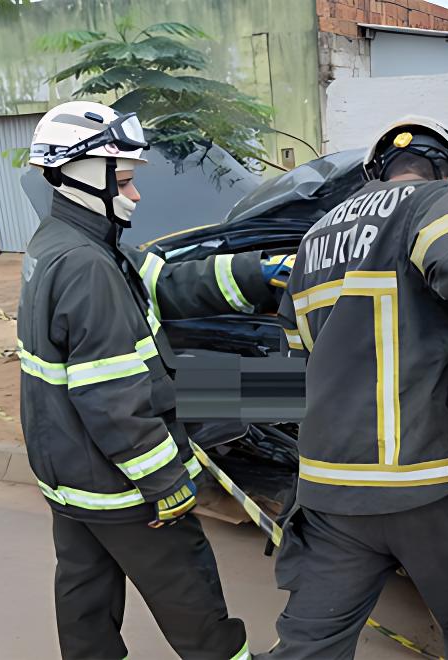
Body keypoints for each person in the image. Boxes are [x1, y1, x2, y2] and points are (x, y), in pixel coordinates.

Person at [18, 100, 280, 660]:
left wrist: (257, 274)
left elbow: (161, 282)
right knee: (189, 590)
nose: (135, 195)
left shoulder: (64, 244)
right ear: (83, 175)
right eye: (125, 179)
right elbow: (113, 398)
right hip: (122, 483)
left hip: (71, 476)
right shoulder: (88, 265)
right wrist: (165, 483)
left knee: (86, 596)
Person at [271, 117, 448, 659]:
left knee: (311, 644)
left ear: (376, 172)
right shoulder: (435, 200)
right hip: (431, 484)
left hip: (330, 489)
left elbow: (297, 353)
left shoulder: (317, 236)